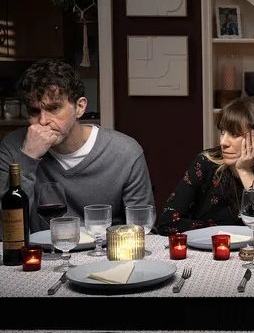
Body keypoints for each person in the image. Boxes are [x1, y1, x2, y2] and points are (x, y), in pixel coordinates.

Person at [0, 59, 154, 234]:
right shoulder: (12, 147)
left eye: (54, 108)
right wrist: (28, 158)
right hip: (44, 256)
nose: (43, 121)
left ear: (80, 107)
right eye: (34, 111)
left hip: (105, 253)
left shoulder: (125, 152)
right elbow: (5, 231)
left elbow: (142, 228)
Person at [156, 96, 254, 235]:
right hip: (209, 253)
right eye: (222, 131)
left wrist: (245, 171)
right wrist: (223, 233)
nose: (223, 142)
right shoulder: (205, 163)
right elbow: (167, 222)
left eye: (234, 134)